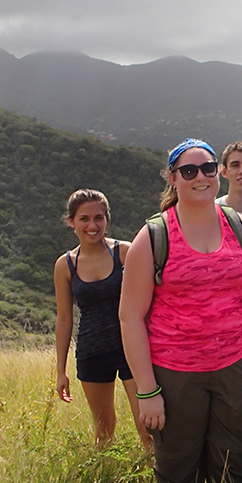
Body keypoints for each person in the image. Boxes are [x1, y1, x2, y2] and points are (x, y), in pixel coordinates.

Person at [119, 138, 242, 483]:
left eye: (208, 168)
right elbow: (130, 318)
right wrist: (147, 391)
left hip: (234, 369)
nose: (201, 177)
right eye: (189, 171)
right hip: (174, 374)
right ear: (173, 178)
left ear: (218, 173)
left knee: (232, 469)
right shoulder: (154, 236)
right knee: (177, 471)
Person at [54, 189, 152, 451]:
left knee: (148, 427)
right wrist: (60, 370)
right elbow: (64, 319)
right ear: (71, 221)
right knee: (104, 430)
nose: (92, 225)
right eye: (84, 218)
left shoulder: (124, 252)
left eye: (99, 218)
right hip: (92, 351)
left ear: (107, 219)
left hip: (132, 349)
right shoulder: (65, 265)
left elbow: (151, 300)